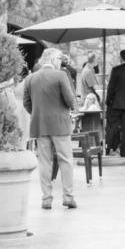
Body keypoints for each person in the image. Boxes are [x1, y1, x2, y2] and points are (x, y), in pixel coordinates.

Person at [23, 48, 77, 210]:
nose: (61, 62)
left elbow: (26, 102)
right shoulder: (61, 76)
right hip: (60, 124)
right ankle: (68, 197)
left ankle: (46, 199)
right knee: (65, 161)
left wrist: (37, 113)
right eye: (60, 59)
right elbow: (70, 100)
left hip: (40, 125)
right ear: (53, 59)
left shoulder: (30, 78)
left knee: (44, 162)